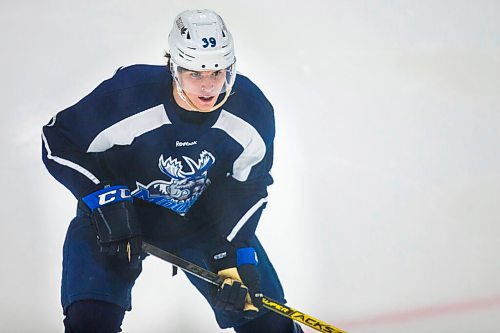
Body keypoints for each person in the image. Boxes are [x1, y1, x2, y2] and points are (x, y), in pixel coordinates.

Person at [42, 9, 303, 333]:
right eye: (196, 73)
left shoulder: (251, 111)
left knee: (267, 323)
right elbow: (57, 140)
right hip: (117, 215)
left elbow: (248, 187)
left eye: (217, 72)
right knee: (89, 322)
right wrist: (104, 198)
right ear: (174, 68)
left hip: (203, 223)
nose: (208, 86)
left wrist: (236, 253)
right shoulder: (128, 94)